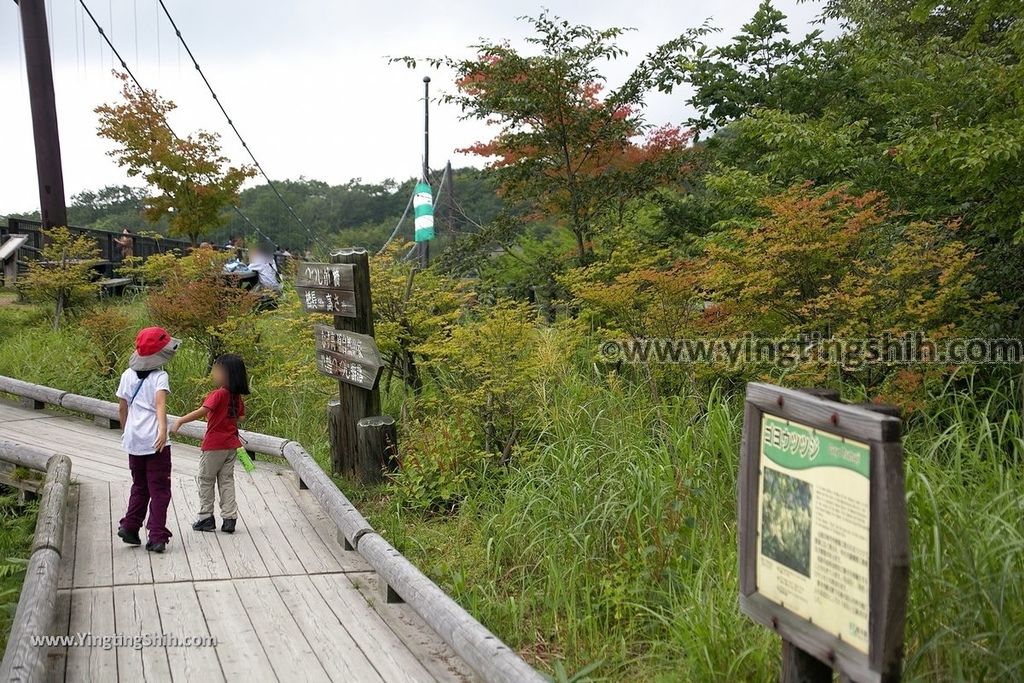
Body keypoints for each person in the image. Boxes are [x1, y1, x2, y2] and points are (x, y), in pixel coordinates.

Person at [116, 327, 180, 554]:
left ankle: (130, 527)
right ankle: (156, 536)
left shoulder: (126, 375)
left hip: (134, 440)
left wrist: (127, 431)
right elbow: (160, 404)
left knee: (140, 485)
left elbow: (122, 407)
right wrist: (163, 431)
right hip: (155, 442)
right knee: (160, 489)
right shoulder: (160, 376)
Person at [171, 354, 250, 533]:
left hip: (214, 445)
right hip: (231, 444)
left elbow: (202, 411)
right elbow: (242, 417)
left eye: (216, 370)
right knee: (226, 480)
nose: (213, 373)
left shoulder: (218, 394)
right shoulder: (236, 397)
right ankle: (230, 518)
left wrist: (180, 421)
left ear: (226, 374)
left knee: (206, 480)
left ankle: (206, 517)